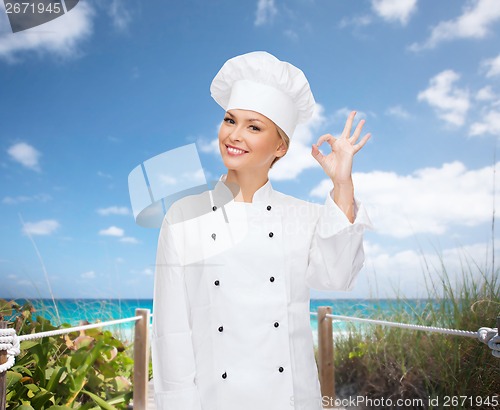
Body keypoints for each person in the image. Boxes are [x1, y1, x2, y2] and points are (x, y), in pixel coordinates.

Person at [151, 51, 372, 410]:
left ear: (280, 146)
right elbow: (171, 331)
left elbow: (338, 277)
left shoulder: (303, 216)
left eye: (254, 126)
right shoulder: (184, 215)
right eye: (229, 120)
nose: (234, 135)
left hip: (293, 399)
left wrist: (342, 184)